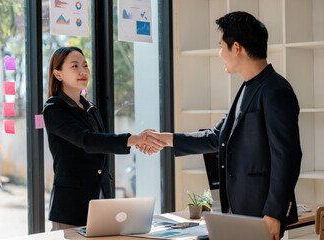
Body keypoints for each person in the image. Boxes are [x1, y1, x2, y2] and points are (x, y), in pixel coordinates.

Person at [140, 11, 302, 240]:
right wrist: (166, 139)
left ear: (236, 48)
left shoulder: (276, 91)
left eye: (221, 46)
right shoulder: (246, 88)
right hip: (240, 212)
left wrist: (274, 213)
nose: (220, 54)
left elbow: (288, 157)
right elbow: (217, 137)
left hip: (263, 215)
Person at [43, 47, 163, 230]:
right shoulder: (54, 109)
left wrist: (139, 141)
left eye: (85, 65)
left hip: (101, 198)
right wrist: (134, 139)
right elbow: (88, 141)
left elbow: (102, 143)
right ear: (58, 74)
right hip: (71, 205)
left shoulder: (91, 108)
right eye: (74, 66)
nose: (83, 71)